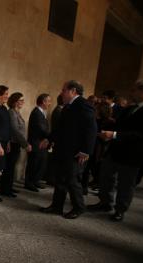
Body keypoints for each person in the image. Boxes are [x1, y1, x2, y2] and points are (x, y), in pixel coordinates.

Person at [88, 79, 143, 221]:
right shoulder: (130, 108)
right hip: (115, 150)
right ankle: (105, 203)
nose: (131, 92)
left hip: (134, 155)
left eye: (134, 90)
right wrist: (107, 133)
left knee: (126, 184)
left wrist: (115, 135)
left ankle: (120, 210)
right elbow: (119, 125)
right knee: (106, 176)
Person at [40, 80, 97, 219]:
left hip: (75, 152)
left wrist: (86, 151)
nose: (61, 93)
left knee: (72, 180)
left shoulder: (84, 105)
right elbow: (60, 128)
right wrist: (49, 139)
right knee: (60, 179)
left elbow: (91, 129)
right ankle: (56, 206)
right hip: (63, 150)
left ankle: (79, 207)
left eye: (64, 90)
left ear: (73, 91)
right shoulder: (68, 107)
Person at [0, 92, 31, 197]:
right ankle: (5, 190)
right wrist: (25, 144)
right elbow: (15, 130)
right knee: (9, 167)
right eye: (21, 100)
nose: (23, 102)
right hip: (13, 143)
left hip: (17, 143)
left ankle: (9, 187)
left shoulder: (17, 112)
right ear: (15, 102)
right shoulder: (12, 112)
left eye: (23, 100)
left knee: (12, 167)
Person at [24, 94, 51, 191]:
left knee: (40, 163)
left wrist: (47, 139)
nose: (49, 103)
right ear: (43, 101)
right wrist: (50, 137)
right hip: (35, 142)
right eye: (48, 101)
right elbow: (41, 129)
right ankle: (29, 183)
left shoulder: (42, 112)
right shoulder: (36, 113)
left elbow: (46, 127)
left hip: (42, 142)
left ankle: (35, 181)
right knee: (33, 164)